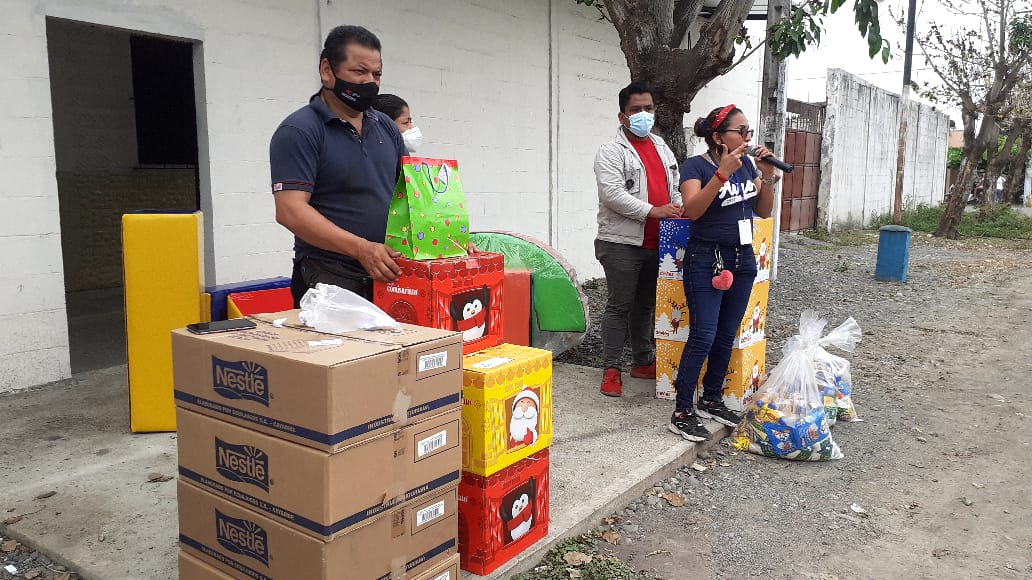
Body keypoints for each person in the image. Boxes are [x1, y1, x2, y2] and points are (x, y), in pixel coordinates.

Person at [270, 25, 407, 307]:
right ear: (327, 70)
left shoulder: (385, 127)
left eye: (377, 74)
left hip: (386, 274)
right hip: (329, 278)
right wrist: (361, 249)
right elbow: (289, 211)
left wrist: (447, 242)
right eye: (359, 72)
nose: (370, 82)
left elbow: (411, 194)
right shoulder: (300, 130)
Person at [668, 104, 778, 442]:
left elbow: (763, 210)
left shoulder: (747, 164)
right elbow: (693, 210)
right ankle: (682, 412)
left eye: (748, 132)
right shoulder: (695, 166)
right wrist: (721, 174)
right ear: (718, 137)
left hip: (742, 258)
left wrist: (767, 176)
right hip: (707, 258)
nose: (747, 138)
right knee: (704, 333)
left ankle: (712, 398)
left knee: (727, 331)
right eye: (740, 131)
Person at [593, 82, 683, 398]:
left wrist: (677, 206)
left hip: (657, 242)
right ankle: (611, 369)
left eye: (648, 108)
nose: (643, 114)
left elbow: (674, 184)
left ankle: (642, 362)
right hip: (621, 242)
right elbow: (612, 194)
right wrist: (653, 211)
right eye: (635, 110)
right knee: (619, 305)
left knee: (645, 304)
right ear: (622, 116)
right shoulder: (610, 151)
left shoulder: (661, 146)